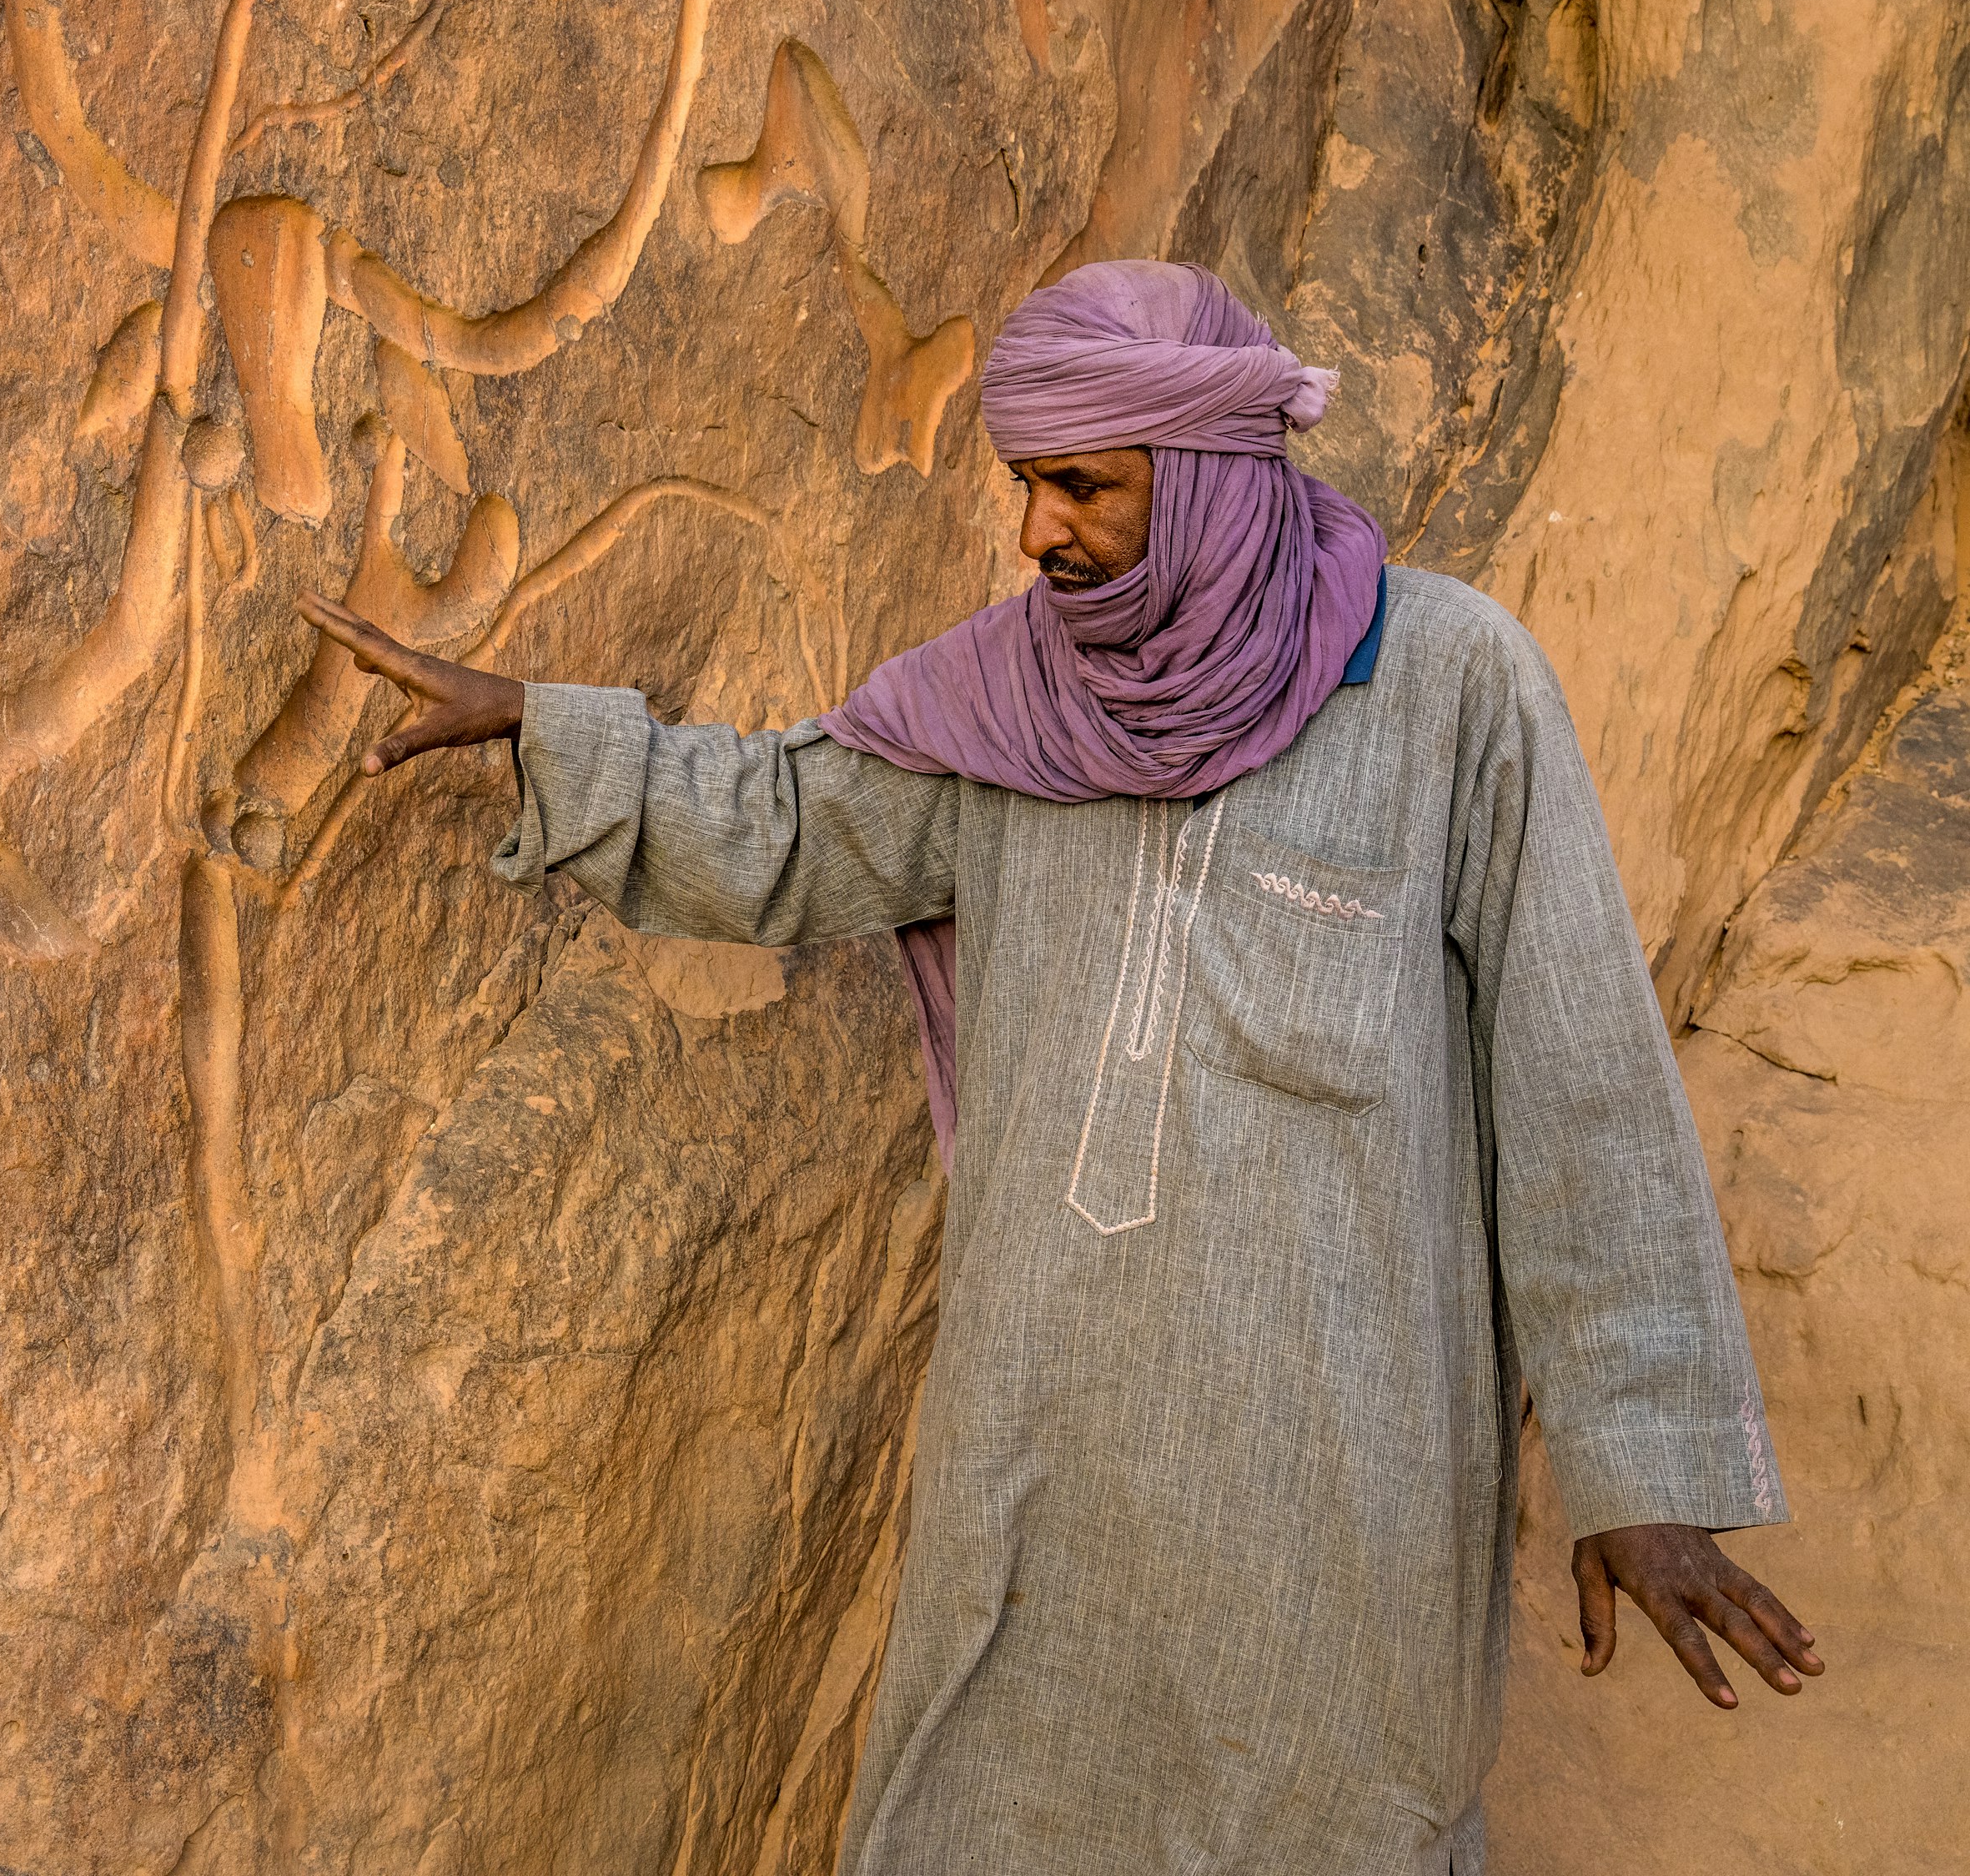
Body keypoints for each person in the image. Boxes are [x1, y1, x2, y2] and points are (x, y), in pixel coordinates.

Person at [299, 259, 1815, 1874]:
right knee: (1007, 1790)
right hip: (1049, 1417)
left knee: (1327, 1797)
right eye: (1029, 486)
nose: (1039, 532)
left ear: (1214, 479)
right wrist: (545, 726)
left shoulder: (1449, 679)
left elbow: (1578, 1075)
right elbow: (792, 831)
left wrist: (1636, 1469)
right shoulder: (1011, 694)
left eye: (1082, 485)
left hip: (1336, 1443)